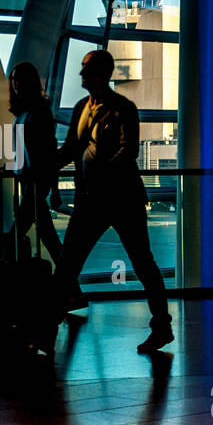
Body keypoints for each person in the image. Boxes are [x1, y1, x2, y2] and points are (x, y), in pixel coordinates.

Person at [52, 49, 174, 354]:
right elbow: (71, 149)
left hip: (116, 198)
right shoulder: (89, 107)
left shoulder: (121, 108)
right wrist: (47, 168)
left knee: (77, 263)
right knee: (73, 263)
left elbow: (126, 151)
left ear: (102, 74)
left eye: (87, 69)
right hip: (102, 197)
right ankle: (162, 326)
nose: (81, 75)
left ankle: (46, 327)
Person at [7, 61, 64, 267]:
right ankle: (72, 287)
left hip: (35, 180)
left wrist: (54, 188)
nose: (15, 84)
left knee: (17, 234)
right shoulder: (27, 111)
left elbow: (49, 150)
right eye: (13, 80)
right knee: (47, 235)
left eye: (19, 79)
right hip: (29, 179)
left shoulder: (37, 111)